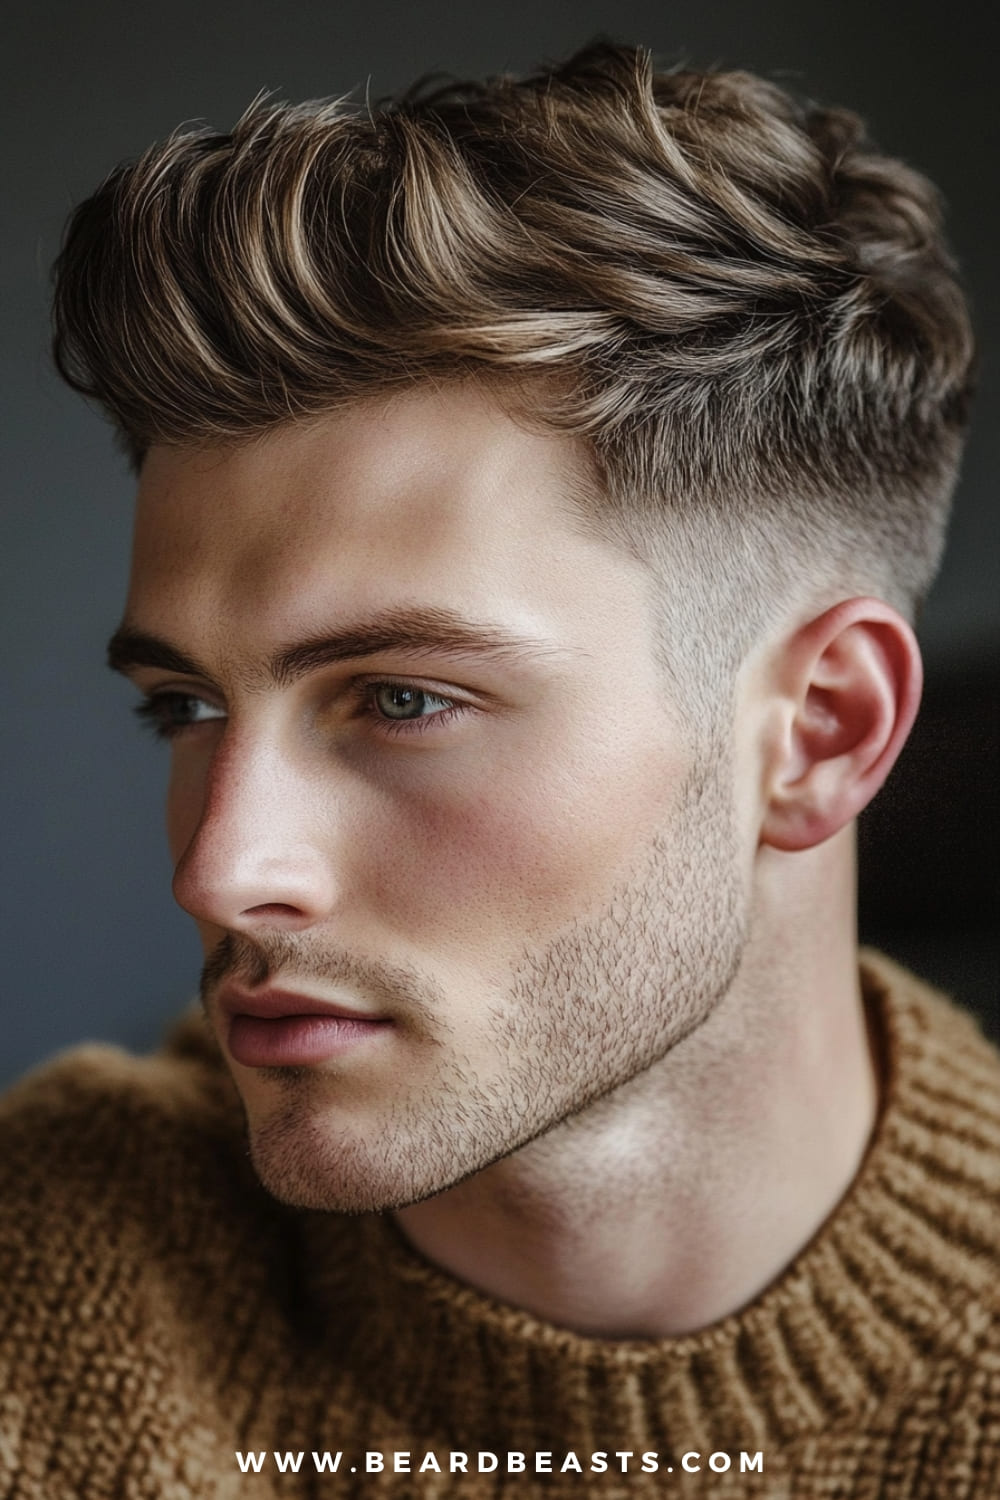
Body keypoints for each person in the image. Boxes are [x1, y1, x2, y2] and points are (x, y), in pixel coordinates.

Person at [1, 39, 996, 1499]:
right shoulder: (47, 1279)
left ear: (822, 730)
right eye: (185, 708)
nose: (221, 867)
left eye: (401, 698)